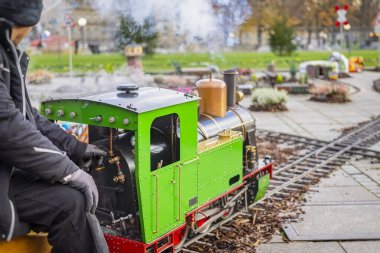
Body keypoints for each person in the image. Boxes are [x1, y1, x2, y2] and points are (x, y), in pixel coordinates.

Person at [0, 1, 109, 252]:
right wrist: (70, 172)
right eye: (24, 27)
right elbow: (8, 127)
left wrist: (74, 147)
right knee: (70, 202)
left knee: (71, 198)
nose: (25, 35)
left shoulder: (7, 54)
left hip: (7, 171)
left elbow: (26, 116)